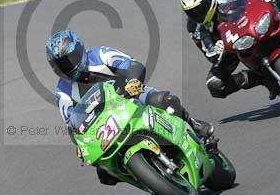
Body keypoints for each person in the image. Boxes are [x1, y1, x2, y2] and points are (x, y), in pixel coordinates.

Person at [46, 29, 217, 185]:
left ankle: (195, 126)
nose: (69, 66)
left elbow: (132, 65)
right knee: (104, 173)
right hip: (104, 125)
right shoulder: (63, 92)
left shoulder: (100, 54)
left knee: (163, 100)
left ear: (80, 49)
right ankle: (148, 179)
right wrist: (80, 143)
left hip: (130, 96)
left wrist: (133, 81)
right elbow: (72, 125)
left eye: (71, 58)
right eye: (62, 64)